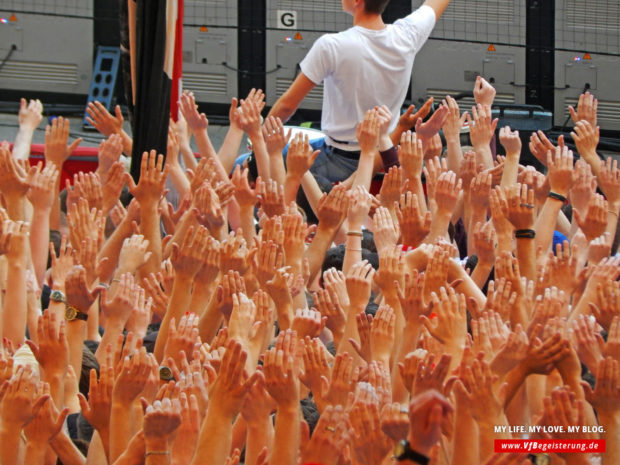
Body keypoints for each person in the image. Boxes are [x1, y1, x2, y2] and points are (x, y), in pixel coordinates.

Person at [267, 0, 452, 183]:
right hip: (383, 153)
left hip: (339, 159)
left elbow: (286, 105)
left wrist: (258, 141)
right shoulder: (408, 35)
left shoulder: (331, 45)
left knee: (248, 165)